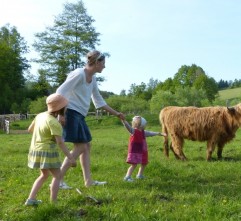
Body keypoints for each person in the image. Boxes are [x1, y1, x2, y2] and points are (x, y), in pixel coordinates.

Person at [56, 50, 125, 189]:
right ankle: (58, 180)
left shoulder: (92, 78)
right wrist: (61, 114)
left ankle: (88, 181)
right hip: (70, 112)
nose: (104, 67)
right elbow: (60, 92)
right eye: (103, 64)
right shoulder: (79, 74)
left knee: (86, 146)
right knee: (81, 146)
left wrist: (116, 113)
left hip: (80, 115)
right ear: (97, 62)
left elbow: (98, 101)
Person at [25, 94, 76, 206]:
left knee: (44, 175)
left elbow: (30, 130)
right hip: (48, 152)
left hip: (36, 149)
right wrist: (71, 157)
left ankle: (31, 199)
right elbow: (60, 142)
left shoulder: (40, 116)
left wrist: (43, 134)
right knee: (57, 176)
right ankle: (54, 203)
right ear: (60, 108)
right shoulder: (54, 122)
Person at [122, 116, 166, 182]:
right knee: (134, 164)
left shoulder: (143, 132)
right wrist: (124, 121)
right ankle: (127, 177)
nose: (145, 126)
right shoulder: (133, 131)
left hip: (143, 151)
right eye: (145, 124)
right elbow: (128, 127)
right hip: (135, 151)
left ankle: (140, 175)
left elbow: (150, 133)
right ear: (141, 125)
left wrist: (159, 133)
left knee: (144, 163)